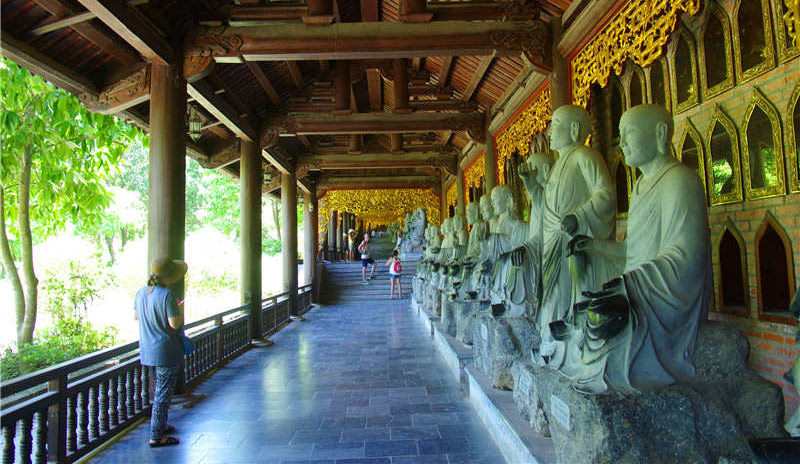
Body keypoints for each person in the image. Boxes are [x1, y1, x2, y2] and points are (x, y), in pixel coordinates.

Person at [556, 104, 712, 393]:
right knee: (584, 315)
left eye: (628, 133)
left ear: (660, 133)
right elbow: (633, 253)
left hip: (663, 299)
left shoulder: (680, 181)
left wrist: (630, 284)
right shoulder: (640, 186)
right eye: (619, 135)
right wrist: (595, 246)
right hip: (640, 288)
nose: (622, 143)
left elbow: (686, 259)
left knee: (600, 323)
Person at [134, 256, 187, 447]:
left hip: (147, 351)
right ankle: (157, 436)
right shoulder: (166, 295)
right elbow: (174, 323)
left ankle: (161, 425)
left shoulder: (140, 293)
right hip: (165, 351)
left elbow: (135, 316)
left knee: (157, 391)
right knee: (163, 395)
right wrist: (179, 310)